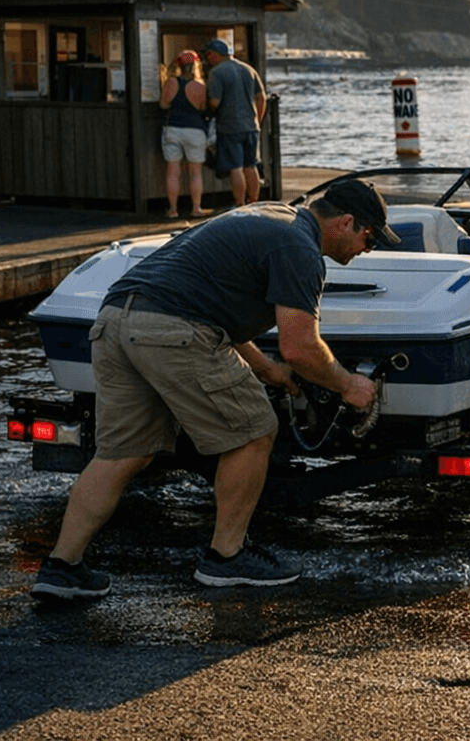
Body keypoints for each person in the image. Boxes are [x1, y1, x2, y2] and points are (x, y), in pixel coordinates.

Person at [30, 179, 402, 600]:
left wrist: (266, 370)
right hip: (171, 327)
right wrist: (349, 384)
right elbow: (299, 348)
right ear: (346, 222)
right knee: (255, 431)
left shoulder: (269, 214)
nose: (368, 249)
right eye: (368, 237)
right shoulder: (301, 249)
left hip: (116, 320)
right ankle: (226, 557)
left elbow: (213, 306)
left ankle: (61, 568)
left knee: (122, 452)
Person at [204, 37, 267, 208]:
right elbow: (261, 98)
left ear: (215, 55)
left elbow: (214, 102)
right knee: (251, 165)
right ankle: (254, 203)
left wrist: (207, 104)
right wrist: (257, 121)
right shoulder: (249, 69)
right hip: (251, 126)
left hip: (229, 127)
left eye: (209, 54)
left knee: (235, 167)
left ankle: (240, 204)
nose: (208, 58)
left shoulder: (217, 73)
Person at [159, 50, 210, 219]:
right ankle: (196, 208)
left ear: (179, 65)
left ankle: (173, 210)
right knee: (195, 171)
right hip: (195, 130)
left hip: (173, 128)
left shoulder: (171, 82)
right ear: (196, 65)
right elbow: (203, 108)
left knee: (173, 170)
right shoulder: (201, 86)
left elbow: (164, 104)